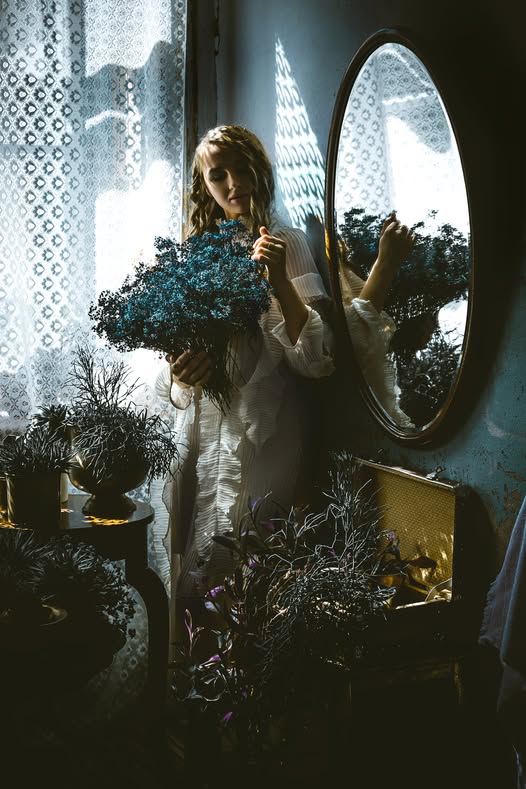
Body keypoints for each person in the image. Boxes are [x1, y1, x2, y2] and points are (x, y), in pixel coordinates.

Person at [155, 125, 335, 642]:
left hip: (266, 432)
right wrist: (179, 375)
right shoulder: (197, 252)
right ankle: (195, 682)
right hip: (200, 431)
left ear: (259, 167)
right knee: (192, 567)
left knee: (248, 565)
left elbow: (315, 361)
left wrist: (278, 280)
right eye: (218, 175)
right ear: (205, 186)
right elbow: (177, 368)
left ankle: (245, 682)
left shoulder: (286, 242)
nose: (232, 183)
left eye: (240, 168)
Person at [338, 213, 416, 427]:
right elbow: (352, 346)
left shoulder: (340, 257)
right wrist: (385, 264)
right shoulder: (310, 246)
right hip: (363, 418)